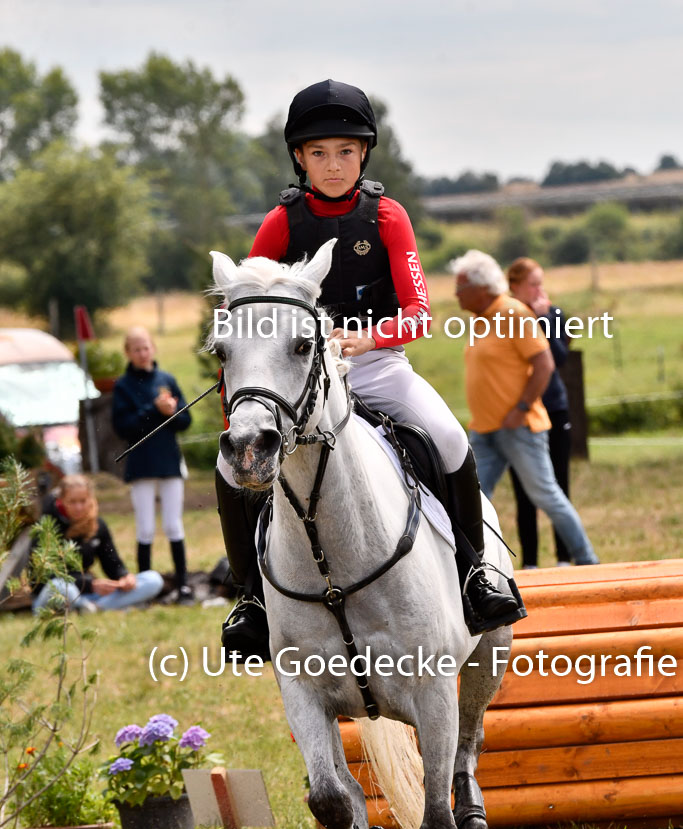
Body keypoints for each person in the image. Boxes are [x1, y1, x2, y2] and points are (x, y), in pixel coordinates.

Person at [217, 78, 526, 660]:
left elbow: (419, 314)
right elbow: (247, 305)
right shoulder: (280, 223)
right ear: (299, 158)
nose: (332, 166)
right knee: (231, 466)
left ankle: (475, 575)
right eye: (318, 154)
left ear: (363, 155)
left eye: (345, 152)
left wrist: (366, 338)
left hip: (378, 365)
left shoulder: (386, 215)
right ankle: (251, 602)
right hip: (297, 377)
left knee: (449, 438)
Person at [451, 249, 598, 566]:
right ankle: (471, 566)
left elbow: (544, 364)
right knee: (474, 500)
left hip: (519, 427)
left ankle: (586, 560)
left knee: (547, 495)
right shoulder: (480, 320)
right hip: (485, 429)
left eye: (461, 287)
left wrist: (521, 407)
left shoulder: (514, 313)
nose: (455, 294)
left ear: (481, 288)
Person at [111, 326, 193, 601]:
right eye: (136, 349)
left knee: (173, 524)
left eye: (146, 347)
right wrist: (153, 410)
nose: (142, 353)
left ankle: (183, 584)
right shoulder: (123, 386)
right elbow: (124, 427)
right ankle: (145, 586)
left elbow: (185, 421)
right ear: (128, 353)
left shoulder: (166, 379)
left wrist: (172, 411)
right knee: (145, 527)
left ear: (153, 348)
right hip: (141, 465)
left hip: (169, 463)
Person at [507, 257, 572, 567]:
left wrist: (542, 319)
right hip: (518, 413)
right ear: (514, 286)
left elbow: (559, 357)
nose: (539, 290)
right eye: (533, 284)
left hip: (554, 409)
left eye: (541, 283)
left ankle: (564, 558)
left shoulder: (553, 314)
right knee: (524, 491)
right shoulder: (503, 317)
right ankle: (530, 563)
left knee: (558, 485)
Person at [32, 474, 163, 613]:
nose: (78, 507)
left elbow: (112, 561)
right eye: (72, 502)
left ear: (90, 499)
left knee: (153, 579)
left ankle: (92, 608)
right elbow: (42, 577)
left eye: (83, 501)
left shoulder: (98, 526)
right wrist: (90, 585)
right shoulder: (46, 526)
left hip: (88, 594)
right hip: (55, 593)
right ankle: (103, 606)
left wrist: (124, 576)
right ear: (61, 500)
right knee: (62, 587)